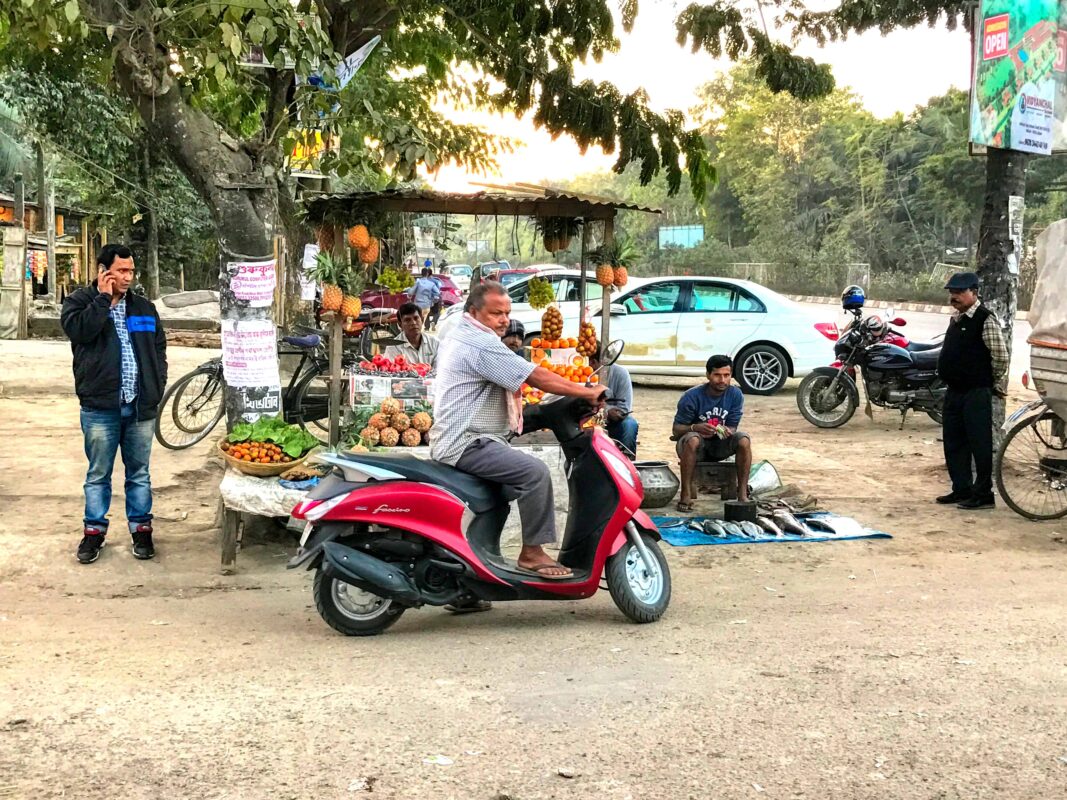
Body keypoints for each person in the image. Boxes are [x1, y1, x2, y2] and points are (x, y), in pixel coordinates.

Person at [431, 281, 604, 590]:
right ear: (474, 312)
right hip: (466, 441)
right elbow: (534, 375)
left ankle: (473, 577)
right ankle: (533, 553)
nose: (504, 320)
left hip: (470, 436)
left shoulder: (463, 332)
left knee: (499, 497)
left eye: (507, 313)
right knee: (534, 472)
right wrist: (585, 390)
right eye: (495, 313)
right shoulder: (480, 343)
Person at [60, 244, 167, 564]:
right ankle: (94, 533)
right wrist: (103, 300)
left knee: (139, 473)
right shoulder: (79, 303)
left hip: (139, 406)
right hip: (100, 406)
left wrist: (156, 386)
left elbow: (158, 348)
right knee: (98, 474)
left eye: (131, 271)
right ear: (102, 271)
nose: (127, 277)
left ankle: (141, 530)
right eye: (121, 271)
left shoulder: (144, 308)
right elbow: (80, 331)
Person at [935, 272, 1009, 510]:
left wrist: (988, 380)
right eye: (952, 292)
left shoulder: (985, 319)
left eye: (959, 292)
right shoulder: (956, 318)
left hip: (976, 391)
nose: (954, 296)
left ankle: (983, 494)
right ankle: (961, 489)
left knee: (979, 443)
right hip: (955, 390)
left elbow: (1000, 356)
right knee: (954, 442)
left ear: (974, 293)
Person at [672, 355, 752, 511]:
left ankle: (742, 494)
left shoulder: (735, 395)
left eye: (726, 375)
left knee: (743, 439)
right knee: (693, 439)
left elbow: (733, 426)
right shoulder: (691, 396)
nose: (722, 380)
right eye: (717, 375)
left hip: (719, 445)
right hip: (694, 447)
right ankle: (685, 495)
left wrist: (727, 431)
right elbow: (676, 429)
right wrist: (695, 427)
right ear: (708, 375)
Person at [589, 346, 639, 458]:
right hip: (585, 419)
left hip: (610, 422)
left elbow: (624, 408)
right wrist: (606, 409)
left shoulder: (620, 373)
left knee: (629, 424)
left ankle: (628, 463)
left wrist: (610, 412)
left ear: (593, 362)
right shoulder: (580, 376)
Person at [385, 302, 439, 367]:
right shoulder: (393, 348)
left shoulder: (435, 343)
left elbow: (439, 370)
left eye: (416, 318)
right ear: (400, 325)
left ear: (422, 320)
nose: (413, 323)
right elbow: (392, 373)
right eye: (407, 320)